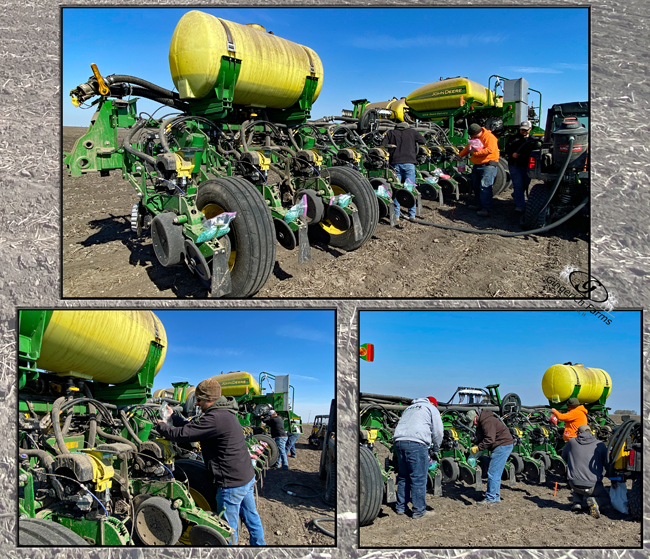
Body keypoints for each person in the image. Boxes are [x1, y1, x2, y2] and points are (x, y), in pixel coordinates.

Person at [156, 378, 265, 545]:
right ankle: (260, 547)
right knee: (251, 517)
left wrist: (162, 426)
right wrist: (173, 417)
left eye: (199, 400)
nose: (197, 404)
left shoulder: (215, 418)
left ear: (209, 399)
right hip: (246, 477)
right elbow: (193, 427)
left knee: (225, 529)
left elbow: (183, 434)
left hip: (231, 483)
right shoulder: (226, 413)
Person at [392, 397, 444, 518]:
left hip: (399, 442)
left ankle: (400, 507)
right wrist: (435, 449)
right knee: (418, 478)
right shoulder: (431, 408)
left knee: (403, 477)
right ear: (433, 404)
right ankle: (419, 510)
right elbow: (439, 432)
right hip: (416, 443)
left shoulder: (409, 408)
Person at [381, 122, 426, 224]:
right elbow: (423, 141)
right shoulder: (412, 132)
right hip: (409, 163)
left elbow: (382, 145)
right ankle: (412, 215)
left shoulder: (391, 133)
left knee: (397, 189)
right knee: (410, 189)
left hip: (395, 163)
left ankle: (396, 215)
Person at [561, 424, 610, 518]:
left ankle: (577, 503)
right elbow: (606, 463)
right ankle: (596, 501)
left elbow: (564, 457)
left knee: (578, 479)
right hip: (592, 485)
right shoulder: (600, 444)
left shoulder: (571, 442)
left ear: (579, 433)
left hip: (574, 483)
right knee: (606, 498)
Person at [466, 408, 514, 505]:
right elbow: (480, 438)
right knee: (495, 472)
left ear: (475, 417)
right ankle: (495, 497)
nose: (474, 425)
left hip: (502, 446)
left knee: (493, 472)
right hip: (502, 445)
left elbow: (489, 440)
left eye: (473, 422)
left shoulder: (487, 421)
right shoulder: (483, 421)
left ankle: (491, 498)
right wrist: (475, 448)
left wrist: (478, 448)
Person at [458, 123, 500, 217]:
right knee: (476, 186)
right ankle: (478, 205)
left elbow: (490, 150)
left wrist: (475, 153)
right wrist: (460, 155)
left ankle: (486, 209)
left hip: (488, 165)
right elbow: (468, 148)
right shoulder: (475, 138)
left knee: (485, 187)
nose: (472, 137)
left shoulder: (489, 137)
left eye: (473, 135)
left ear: (478, 132)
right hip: (477, 165)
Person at [504, 120, 536, 213]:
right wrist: (512, 154)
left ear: (530, 129)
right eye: (522, 129)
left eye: (525, 130)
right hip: (515, 165)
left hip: (527, 166)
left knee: (525, 184)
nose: (523, 131)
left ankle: (516, 195)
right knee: (518, 185)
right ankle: (520, 205)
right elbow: (507, 150)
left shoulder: (533, 140)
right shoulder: (513, 139)